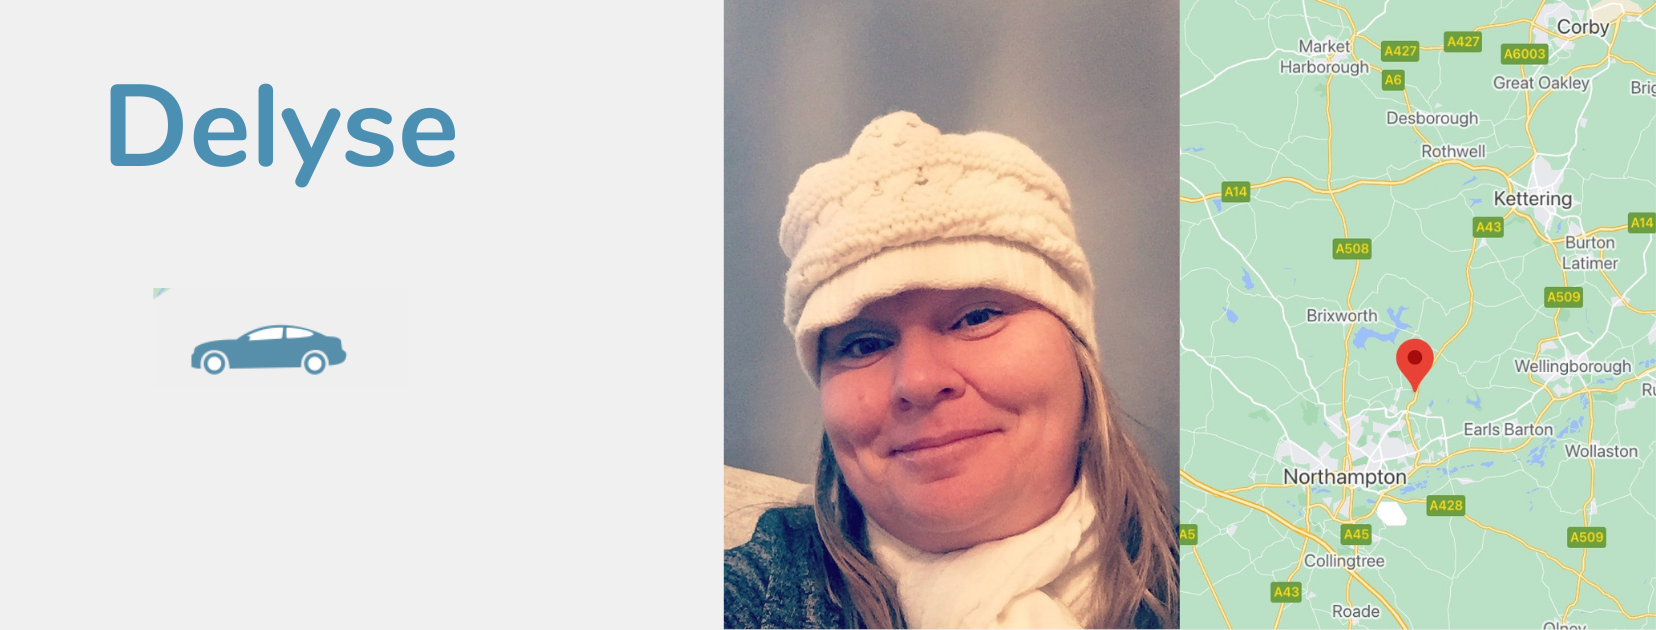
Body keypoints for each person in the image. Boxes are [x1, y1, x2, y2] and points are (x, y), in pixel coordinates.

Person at [725, 112, 1178, 629]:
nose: (918, 381)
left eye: (977, 317)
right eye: (864, 344)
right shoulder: (763, 589)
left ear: (1077, 350)